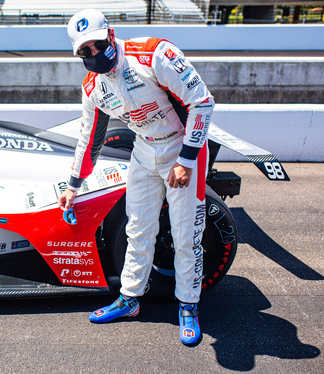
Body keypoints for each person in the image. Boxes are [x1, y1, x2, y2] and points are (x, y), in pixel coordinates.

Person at [58, 9, 214, 346]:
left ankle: (188, 306)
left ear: (110, 35)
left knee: (187, 234)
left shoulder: (154, 53)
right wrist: (73, 185)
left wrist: (186, 160)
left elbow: (201, 102)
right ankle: (129, 299)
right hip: (144, 150)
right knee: (138, 229)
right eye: (85, 51)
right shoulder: (92, 86)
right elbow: (89, 138)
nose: (95, 53)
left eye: (98, 44)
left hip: (182, 146)